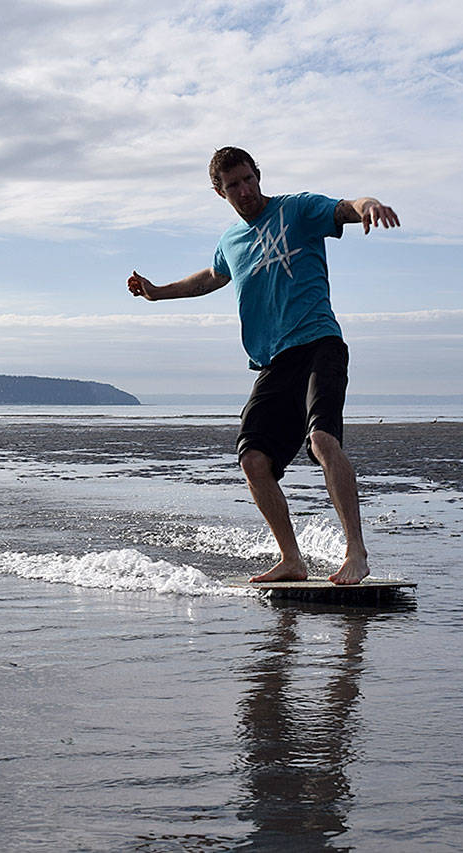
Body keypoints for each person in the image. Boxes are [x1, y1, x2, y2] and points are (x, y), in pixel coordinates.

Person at [127, 146, 399, 585]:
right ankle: (292, 559)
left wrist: (369, 206)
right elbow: (210, 278)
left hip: (319, 345)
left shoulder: (297, 210)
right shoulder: (230, 241)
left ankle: (357, 553)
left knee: (323, 441)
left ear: (258, 175)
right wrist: (158, 293)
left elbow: (345, 207)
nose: (244, 189)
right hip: (273, 362)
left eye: (247, 178)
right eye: (232, 184)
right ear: (220, 192)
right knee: (253, 459)